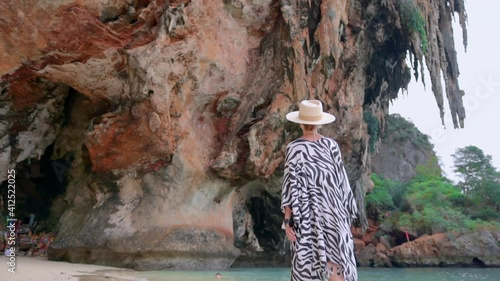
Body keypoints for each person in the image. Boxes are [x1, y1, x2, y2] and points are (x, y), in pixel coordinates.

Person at [281, 100, 358, 281]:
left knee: (308, 260)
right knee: (335, 261)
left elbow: (290, 187)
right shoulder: (331, 146)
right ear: (319, 123)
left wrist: (287, 221)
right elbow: (342, 182)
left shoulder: (294, 148)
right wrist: (346, 216)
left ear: (300, 123)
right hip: (334, 211)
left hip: (307, 214)